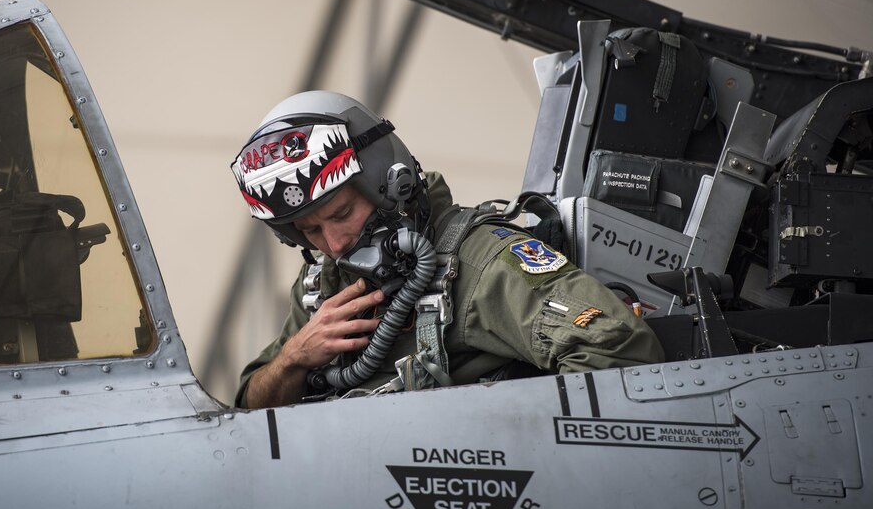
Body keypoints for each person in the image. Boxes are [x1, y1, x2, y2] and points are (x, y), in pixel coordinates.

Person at [231, 91, 664, 408]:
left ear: (387, 183)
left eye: (343, 212)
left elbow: (618, 354)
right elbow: (251, 407)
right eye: (310, 231)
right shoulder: (324, 285)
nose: (336, 244)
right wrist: (293, 359)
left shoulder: (480, 263)